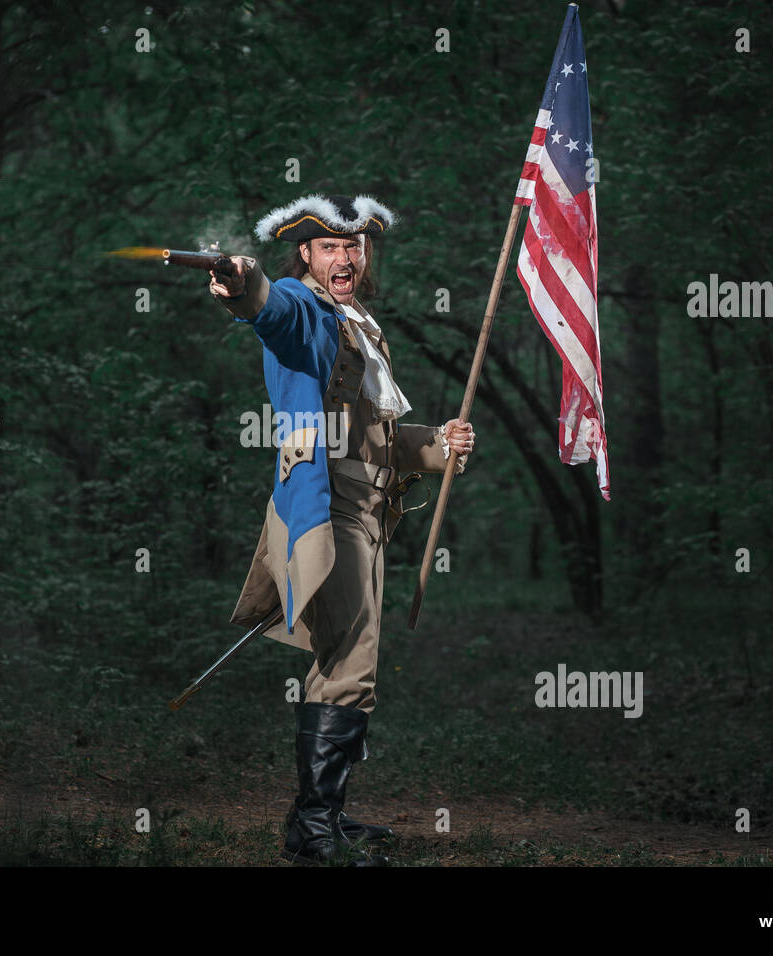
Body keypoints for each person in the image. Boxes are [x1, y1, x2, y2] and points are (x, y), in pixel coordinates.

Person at [209, 193, 475, 865]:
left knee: (343, 664)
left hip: (366, 511)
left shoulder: (359, 323)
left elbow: (378, 442)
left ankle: (321, 816)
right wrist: (246, 287)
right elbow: (271, 312)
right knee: (350, 666)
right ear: (305, 253)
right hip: (329, 507)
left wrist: (440, 444)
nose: (346, 257)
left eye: (355, 246)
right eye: (330, 246)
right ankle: (315, 828)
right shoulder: (307, 310)